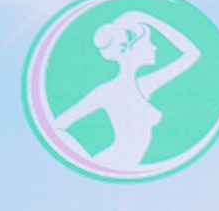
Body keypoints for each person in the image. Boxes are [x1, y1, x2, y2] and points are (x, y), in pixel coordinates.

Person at [52, 10, 200, 168]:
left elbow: (192, 53)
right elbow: (57, 126)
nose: (154, 47)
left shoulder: (144, 85)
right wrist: (87, 161)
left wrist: (148, 19)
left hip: (127, 168)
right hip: (111, 164)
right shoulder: (105, 92)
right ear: (127, 49)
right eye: (148, 42)